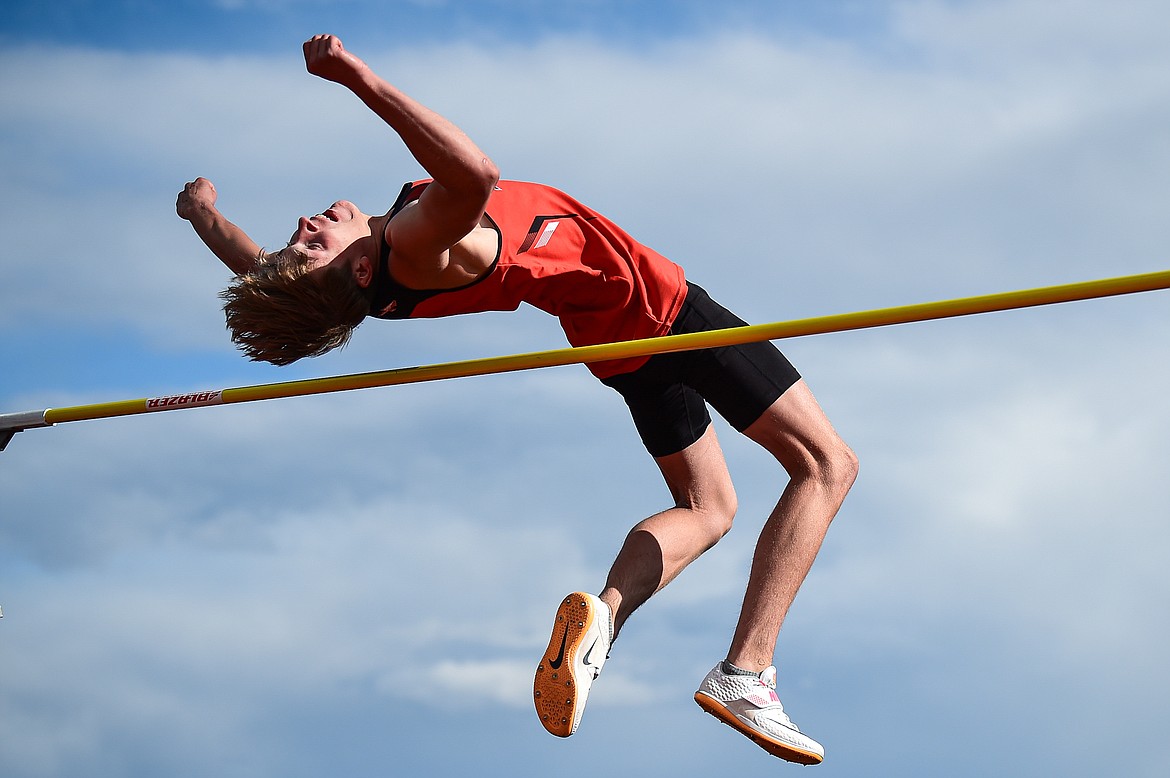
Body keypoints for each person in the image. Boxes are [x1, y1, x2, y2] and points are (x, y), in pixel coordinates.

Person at [177, 34, 857, 765]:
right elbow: (474, 173)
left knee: (708, 508)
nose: (307, 227)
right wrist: (356, 77)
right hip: (659, 308)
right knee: (826, 465)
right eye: (311, 245)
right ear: (362, 263)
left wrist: (204, 217)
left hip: (609, 340)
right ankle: (747, 672)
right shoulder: (414, 240)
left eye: (299, 239)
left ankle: (601, 621)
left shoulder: (360, 295)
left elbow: (268, 279)